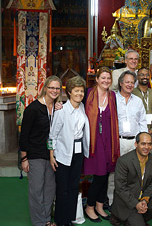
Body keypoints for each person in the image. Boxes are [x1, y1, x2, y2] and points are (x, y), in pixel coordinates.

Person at [19, 76, 62, 226]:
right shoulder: (33, 109)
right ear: (45, 88)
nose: (54, 91)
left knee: (50, 189)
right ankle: (39, 222)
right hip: (35, 154)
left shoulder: (57, 108)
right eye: (51, 87)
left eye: (57, 88)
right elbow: (24, 135)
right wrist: (24, 159)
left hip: (51, 154)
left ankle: (47, 220)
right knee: (36, 190)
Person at [49, 76, 90, 226]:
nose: (79, 94)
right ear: (69, 92)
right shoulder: (61, 110)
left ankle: (70, 218)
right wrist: (51, 155)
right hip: (62, 154)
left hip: (78, 152)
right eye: (76, 91)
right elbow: (52, 136)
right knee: (63, 188)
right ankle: (61, 220)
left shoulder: (82, 107)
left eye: (81, 91)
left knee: (74, 186)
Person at [83, 67, 119, 222]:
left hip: (109, 139)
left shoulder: (112, 95)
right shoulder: (87, 93)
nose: (106, 81)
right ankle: (89, 206)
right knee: (99, 175)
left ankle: (99, 206)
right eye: (103, 78)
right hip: (93, 141)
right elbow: (73, 104)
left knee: (105, 174)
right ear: (96, 79)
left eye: (108, 78)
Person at [110, 132, 152, 226]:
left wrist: (144, 200)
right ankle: (119, 217)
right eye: (143, 144)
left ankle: (136, 219)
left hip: (142, 197)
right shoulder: (124, 161)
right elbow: (120, 188)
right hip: (126, 201)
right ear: (136, 144)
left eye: (149, 144)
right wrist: (136, 204)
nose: (146, 147)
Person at [116, 71, 147, 156]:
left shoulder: (138, 101)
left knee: (134, 168)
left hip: (135, 143)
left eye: (132, 82)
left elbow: (143, 122)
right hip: (118, 142)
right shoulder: (113, 99)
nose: (130, 85)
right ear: (121, 83)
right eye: (127, 82)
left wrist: (143, 142)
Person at [133, 67, 152, 154]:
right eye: (142, 75)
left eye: (147, 75)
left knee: (150, 162)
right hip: (137, 134)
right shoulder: (132, 92)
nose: (145, 77)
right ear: (137, 77)